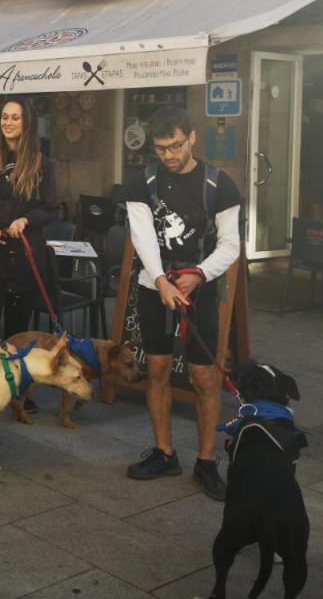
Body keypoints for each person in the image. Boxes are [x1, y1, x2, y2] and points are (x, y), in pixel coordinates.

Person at [123, 105, 241, 501]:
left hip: (201, 284)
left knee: (205, 376)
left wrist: (199, 275)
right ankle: (164, 451)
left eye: (175, 146)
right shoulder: (142, 182)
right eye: (161, 148)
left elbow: (230, 245)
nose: (169, 155)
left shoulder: (219, 184)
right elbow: (142, 237)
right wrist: (161, 281)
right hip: (154, 282)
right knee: (156, 368)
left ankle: (206, 461)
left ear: (192, 138)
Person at [0, 97, 60, 338]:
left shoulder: (41, 162)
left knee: (16, 330)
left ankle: (13, 371)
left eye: (15, 117)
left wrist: (25, 219)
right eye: (4, 117)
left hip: (23, 256)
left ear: (27, 123)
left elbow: (52, 208)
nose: (8, 122)